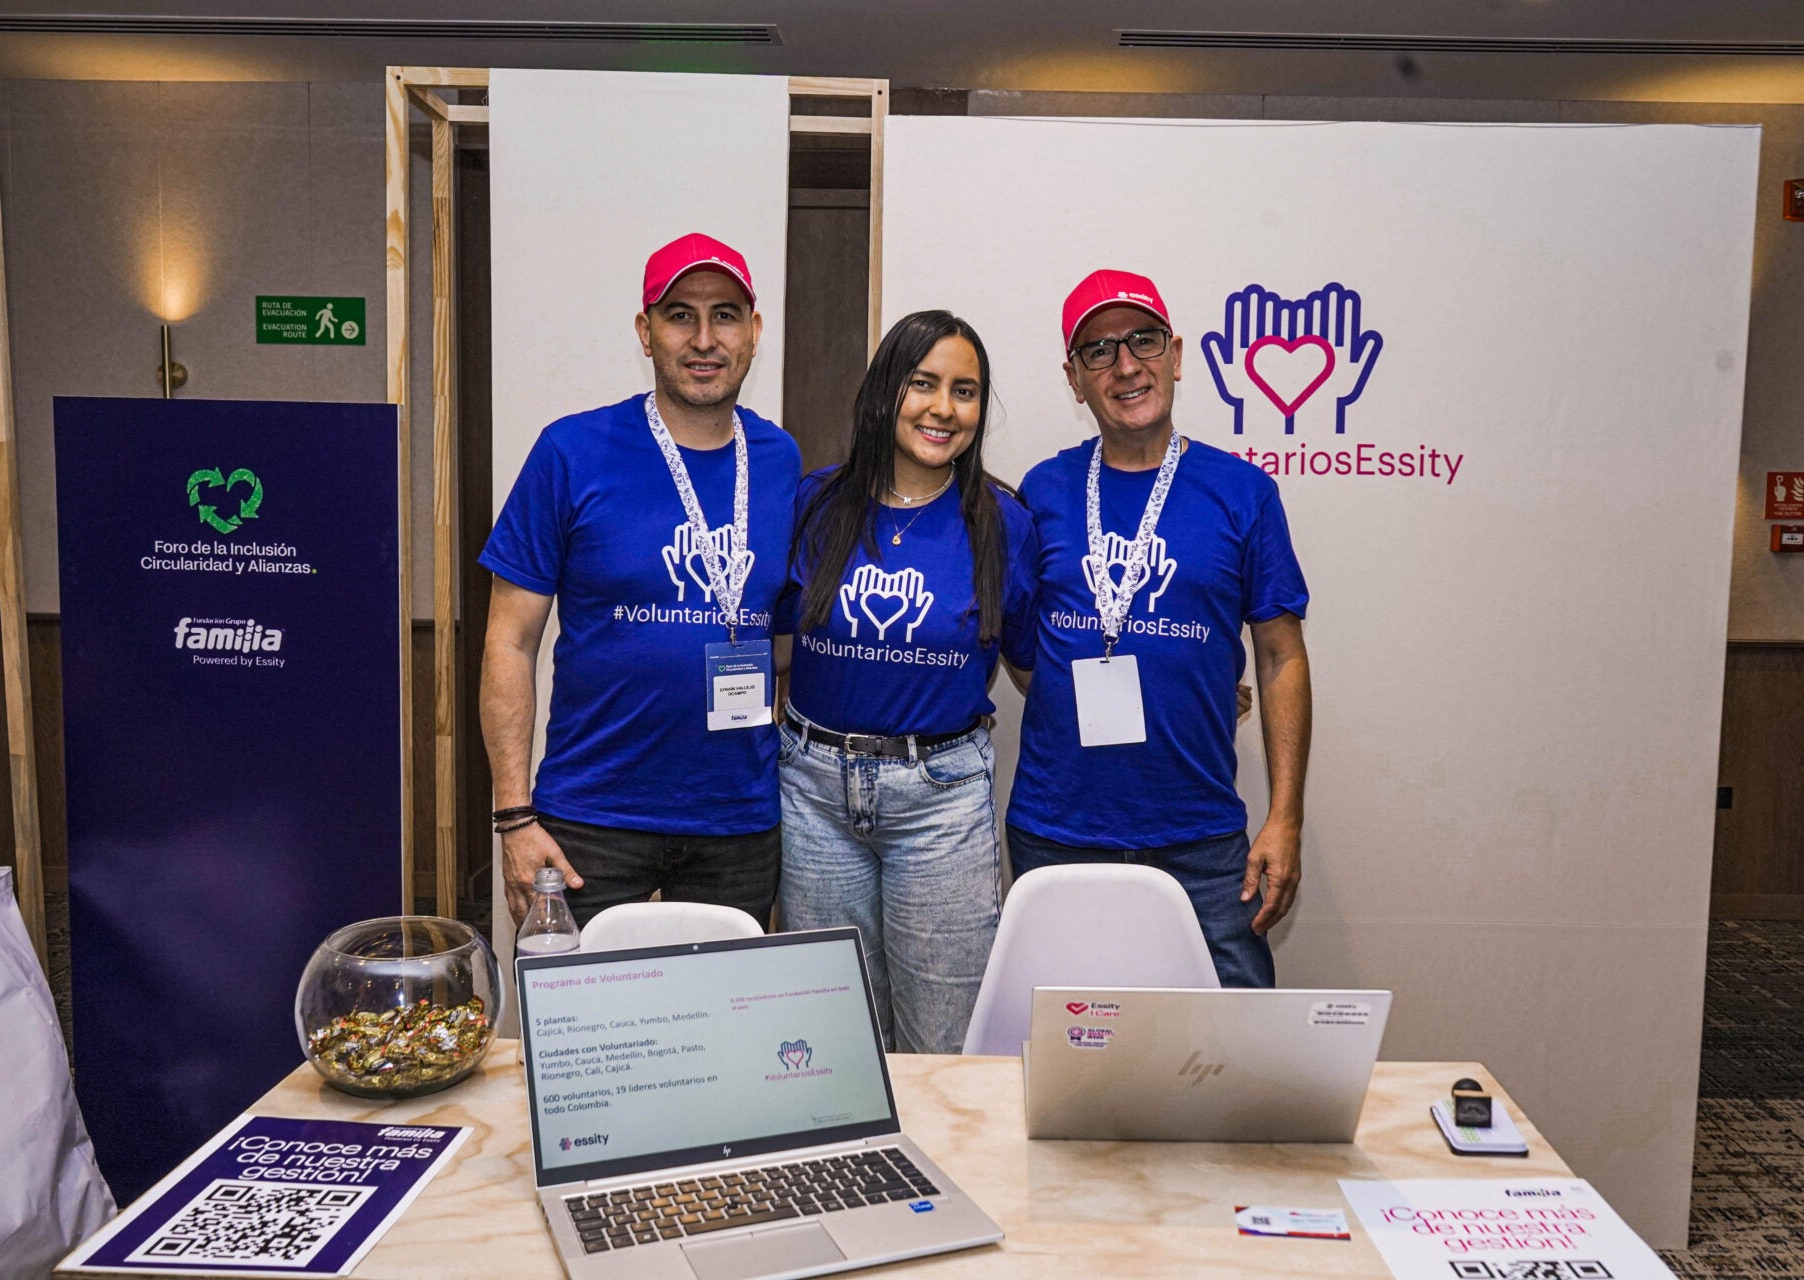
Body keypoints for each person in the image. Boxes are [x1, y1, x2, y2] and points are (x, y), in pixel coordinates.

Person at [479, 233, 801, 929]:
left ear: (754, 331)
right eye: (680, 314)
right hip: (589, 817)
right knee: (575, 1031)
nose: (705, 338)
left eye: (726, 315)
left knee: (724, 1031)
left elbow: (780, 636)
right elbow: (510, 641)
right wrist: (512, 817)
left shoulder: (780, 459)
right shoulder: (571, 451)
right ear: (645, 331)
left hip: (737, 821)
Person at [1004, 269, 1312, 987]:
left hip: (1200, 835)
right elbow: (1023, 648)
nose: (1125, 366)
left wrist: (1285, 817)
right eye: (1098, 351)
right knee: (1072, 1063)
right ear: (1074, 380)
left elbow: (1280, 658)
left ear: (1176, 355)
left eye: (1142, 341)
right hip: (1059, 833)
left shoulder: (1243, 492)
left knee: (1235, 1064)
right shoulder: (1042, 491)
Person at [777, 310, 1037, 1052]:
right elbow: (781, 647)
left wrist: (1182, 683)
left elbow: (1031, 662)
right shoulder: (818, 505)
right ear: (886, 391)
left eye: (965, 391)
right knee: (833, 1042)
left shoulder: (1004, 521)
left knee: (946, 1045)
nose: (943, 408)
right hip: (813, 793)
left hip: (941, 802)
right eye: (923, 384)